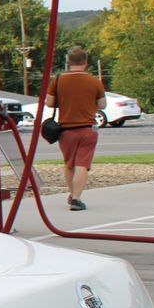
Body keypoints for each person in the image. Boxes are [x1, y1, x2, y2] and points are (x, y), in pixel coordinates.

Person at [44, 47, 106, 211]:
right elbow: (102, 105)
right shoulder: (94, 81)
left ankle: (72, 195)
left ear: (68, 62)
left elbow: (49, 103)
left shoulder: (57, 80)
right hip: (87, 128)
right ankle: (77, 198)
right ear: (85, 62)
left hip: (65, 129)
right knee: (82, 164)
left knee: (69, 164)